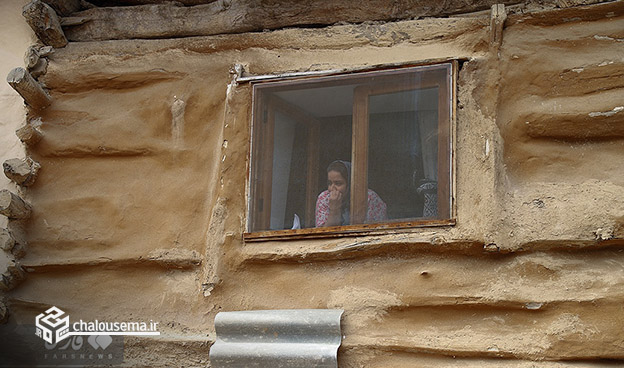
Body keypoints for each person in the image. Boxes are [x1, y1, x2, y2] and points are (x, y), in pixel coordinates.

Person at [315, 160, 387, 227]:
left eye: (338, 183)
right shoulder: (324, 198)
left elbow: (375, 229)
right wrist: (334, 209)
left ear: (350, 183)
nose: (332, 188)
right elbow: (324, 233)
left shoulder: (369, 197)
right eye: (330, 183)